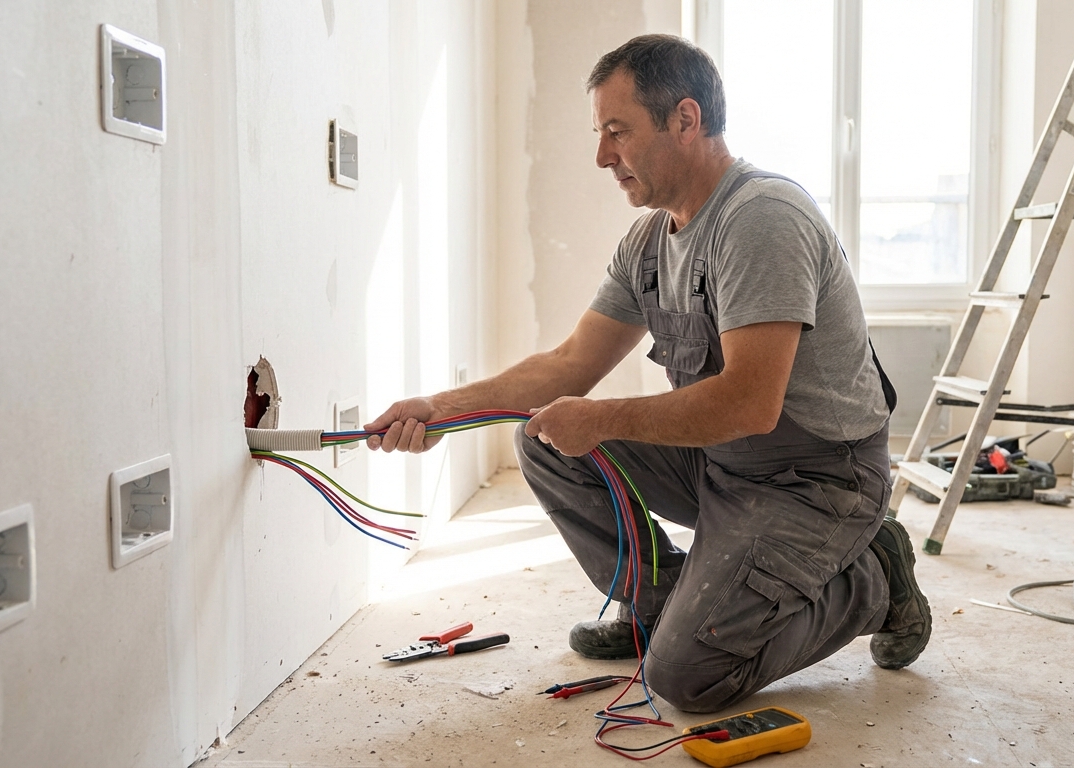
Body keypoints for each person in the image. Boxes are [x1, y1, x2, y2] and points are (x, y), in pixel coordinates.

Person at [365, 33, 930, 714]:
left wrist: (600, 417)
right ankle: (659, 605)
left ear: (685, 121)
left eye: (617, 132)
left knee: (689, 678)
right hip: (723, 465)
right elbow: (570, 364)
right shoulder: (652, 241)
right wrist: (440, 408)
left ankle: (874, 578)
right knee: (544, 440)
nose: (603, 156)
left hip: (815, 482)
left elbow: (751, 404)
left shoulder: (761, 221)